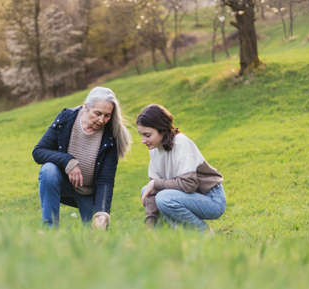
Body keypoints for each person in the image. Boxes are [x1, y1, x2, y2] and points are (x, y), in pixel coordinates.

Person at [32, 87, 131, 228]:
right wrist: (68, 161)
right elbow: (39, 151)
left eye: (107, 115)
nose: (102, 120)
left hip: (88, 193)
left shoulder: (111, 137)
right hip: (63, 184)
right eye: (98, 113)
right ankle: (49, 228)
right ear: (86, 107)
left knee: (96, 236)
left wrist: (102, 212)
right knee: (48, 170)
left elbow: (106, 180)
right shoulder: (66, 118)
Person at [136, 104, 226, 232]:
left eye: (147, 135)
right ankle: (166, 238)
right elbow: (153, 191)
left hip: (211, 199)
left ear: (162, 130)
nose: (143, 140)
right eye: (141, 135)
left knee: (164, 198)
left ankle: (204, 234)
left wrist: (156, 183)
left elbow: (188, 184)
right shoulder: (154, 149)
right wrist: (150, 225)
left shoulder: (181, 143)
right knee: (146, 191)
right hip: (188, 196)